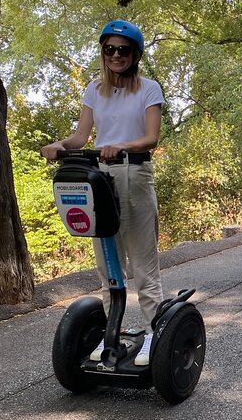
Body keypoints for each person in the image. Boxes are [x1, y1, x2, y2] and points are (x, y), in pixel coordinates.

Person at [41, 19, 164, 366]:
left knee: (142, 263)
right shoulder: (95, 90)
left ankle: (154, 332)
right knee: (107, 260)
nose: (116, 55)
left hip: (134, 172)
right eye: (109, 49)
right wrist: (60, 144)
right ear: (103, 52)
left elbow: (151, 137)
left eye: (123, 50)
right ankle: (114, 331)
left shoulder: (149, 89)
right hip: (99, 174)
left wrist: (119, 145)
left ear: (135, 54)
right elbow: (82, 137)